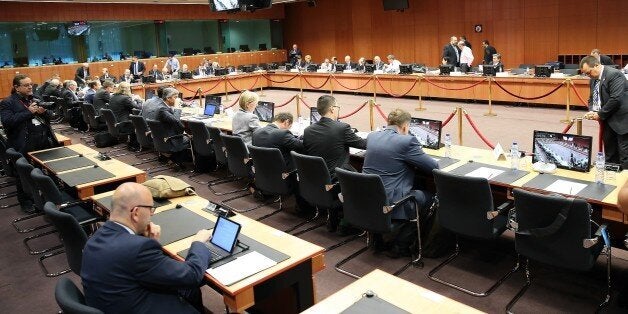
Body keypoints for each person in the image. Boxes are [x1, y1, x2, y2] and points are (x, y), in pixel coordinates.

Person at [81, 182, 212, 314]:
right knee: (190, 285)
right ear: (136, 212)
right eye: (150, 209)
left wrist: (149, 242)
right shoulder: (138, 248)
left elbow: (136, 265)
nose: (152, 214)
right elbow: (191, 275)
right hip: (138, 306)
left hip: (113, 303)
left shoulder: (95, 238)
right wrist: (198, 243)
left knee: (190, 291)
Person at [362, 109, 439, 257]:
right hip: (392, 201)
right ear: (405, 127)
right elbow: (434, 167)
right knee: (430, 197)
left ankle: (381, 239)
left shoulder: (372, 136)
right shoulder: (407, 141)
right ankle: (401, 245)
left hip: (369, 197)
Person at [580, 55, 628, 169]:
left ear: (596, 65)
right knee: (610, 153)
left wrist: (600, 114)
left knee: (624, 154)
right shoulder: (593, 79)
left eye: (589, 72)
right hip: (608, 119)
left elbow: (615, 99)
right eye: (586, 74)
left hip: (622, 120)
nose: (588, 75)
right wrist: (592, 110)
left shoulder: (614, 75)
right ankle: (612, 178)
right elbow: (592, 98)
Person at [303, 95, 366, 178]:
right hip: (337, 179)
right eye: (338, 107)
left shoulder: (307, 130)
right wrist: (376, 136)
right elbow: (363, 144)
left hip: (316, 179)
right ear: (332, 109)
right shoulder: (342, 128)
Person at [0, 74, 55, 155]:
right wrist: (28, 112)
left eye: (31, 84)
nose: (30, 87)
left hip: (44, 139)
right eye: (26, 85)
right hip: (25, 143)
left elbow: (50, 115)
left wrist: (44, 112)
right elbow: (7, 122)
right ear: (16, 88)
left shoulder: (36, 97)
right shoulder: (8, 102)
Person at [154, 87, 191, 164]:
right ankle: (181, 160)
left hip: (164, 136)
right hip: (170, 139)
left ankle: (176, 158)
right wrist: (177, 107)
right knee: (193, 138)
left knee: (187, 133)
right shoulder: (162, 109)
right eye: (175, 97)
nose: (177, 99)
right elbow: (176, 121)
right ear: (168, 98)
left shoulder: (162, 106)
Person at [109, 82, 142, 149]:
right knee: (140, 124)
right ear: (127, 90)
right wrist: (139, 100)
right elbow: (138, 107)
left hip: (115, 122)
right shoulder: (125, 98)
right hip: (124, 124)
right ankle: (135, 145)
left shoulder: (113, 96)